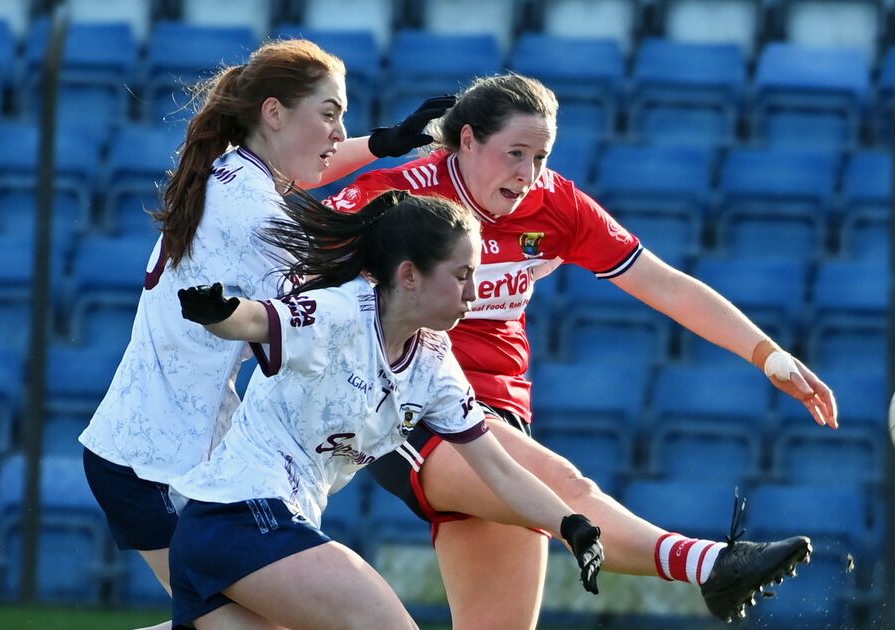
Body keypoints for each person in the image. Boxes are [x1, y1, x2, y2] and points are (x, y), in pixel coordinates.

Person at [323, 73, 839, 626]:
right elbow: (289, 222)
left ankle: (711, 569)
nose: (528, 174)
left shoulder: (554, 204)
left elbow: (662, 284)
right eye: (515, 153)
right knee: (563, 487)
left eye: (540, 156)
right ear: (467, 140)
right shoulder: (398, 197)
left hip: (498, 407)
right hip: (406, 402)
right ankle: (711, 565)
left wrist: (767, 355)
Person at [76, 37, 453, 624]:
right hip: (154, 463)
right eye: (329, 113)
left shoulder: (234, 173)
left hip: (156, 448)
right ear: (273, 113)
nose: (338, 131)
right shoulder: (258, 216)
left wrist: (382, 145)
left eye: (342, 117)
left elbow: (304, 176)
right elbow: (330, 311)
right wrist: (391, 241)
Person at [168, 189, 604, 629]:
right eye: (461, 275)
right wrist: (218, 312)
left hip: (231, 533)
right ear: (410, 275)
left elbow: (499, 471)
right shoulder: (340, 312)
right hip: (241, 513)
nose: (474, 292)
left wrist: (570, 524)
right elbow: (258, 319)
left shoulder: (435, 364)